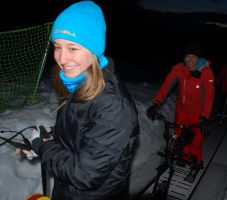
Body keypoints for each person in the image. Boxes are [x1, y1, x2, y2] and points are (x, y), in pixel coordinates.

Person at [19, 1, 140, 200]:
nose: (61, 58)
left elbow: (85, 174)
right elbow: (82, 130)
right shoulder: (79, 82)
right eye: (57, 47)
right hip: (68, 191)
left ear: (93, 50)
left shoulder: (113, 107)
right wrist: (50, 137)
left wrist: (44, 148)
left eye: (73, 48)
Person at [147, 42, 215, 182]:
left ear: (199, 58)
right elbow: (166, 86)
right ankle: (182, 158)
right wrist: (156, 104)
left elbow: (209, 95)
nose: (190, 60)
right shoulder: (178, 69)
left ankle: (196, 165)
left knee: (196, 142)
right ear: (184, 58)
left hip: (198, 115)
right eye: (187, 56)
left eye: (193, 57)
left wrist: (205, 117)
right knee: (178, 137)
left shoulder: (206, 72)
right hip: (182, 111)